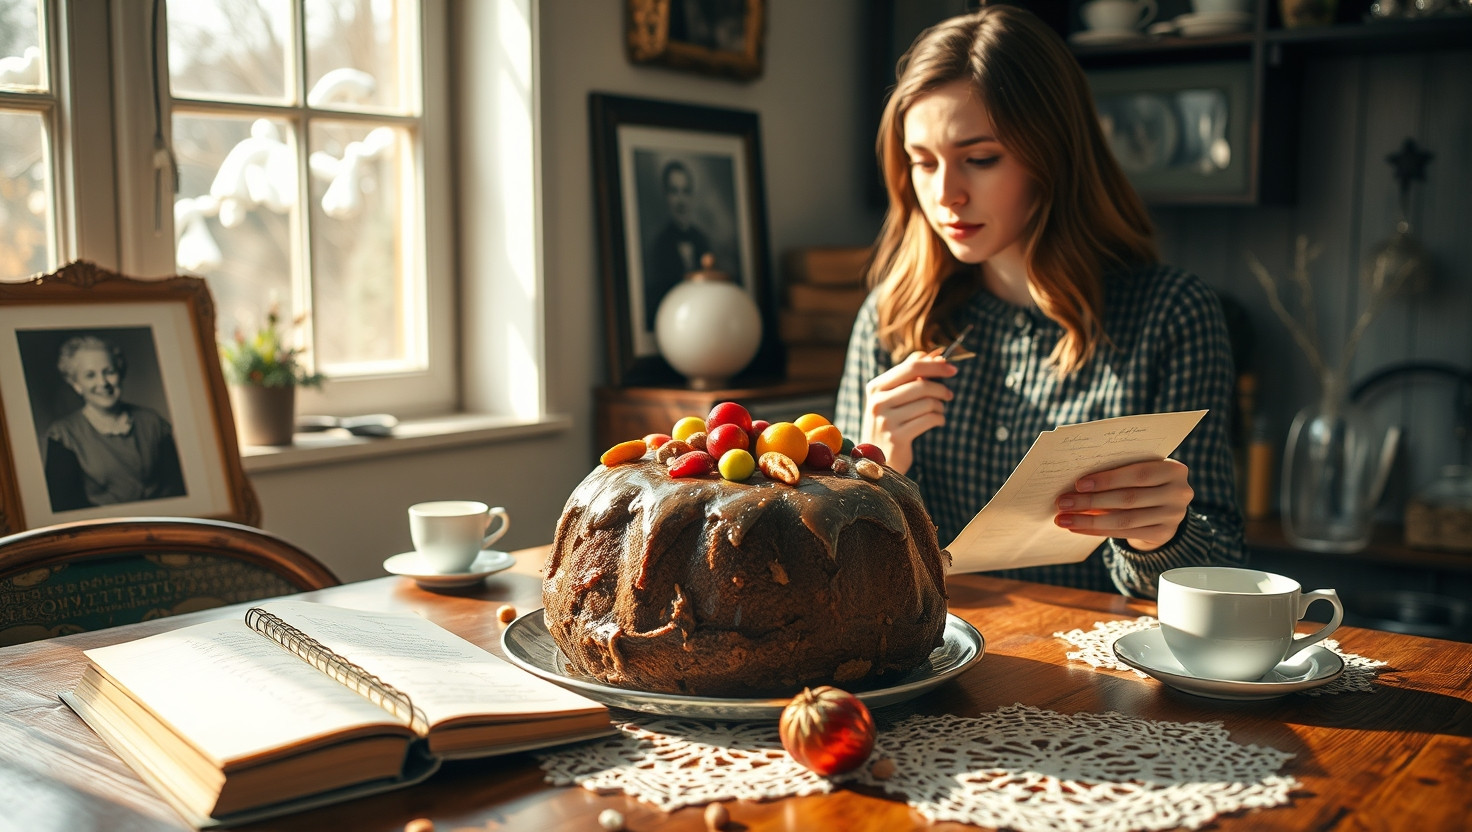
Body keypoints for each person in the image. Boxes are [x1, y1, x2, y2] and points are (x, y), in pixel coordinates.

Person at [833, 6, 1243, 598]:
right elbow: (841, 572)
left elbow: (1227, 567)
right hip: (932, 657)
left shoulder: (1171, 315)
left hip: (1097, 665)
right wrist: (871, 472)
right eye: (923, 162)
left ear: (1052, 154)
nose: (945, 193)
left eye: (980, 158)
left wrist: (1161, 537)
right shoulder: (891, 318)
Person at [43, 334, 186, 512]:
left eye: (109, 372)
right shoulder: (63, 435)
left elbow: (178, 489)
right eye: (90, 375)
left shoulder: (152, 422)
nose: (103, 383)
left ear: (120, 373)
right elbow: (66, 509)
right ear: (76, 384)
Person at [644, 159, 713, 330]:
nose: (681, 200)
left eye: (685, 191)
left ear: (692, 196)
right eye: (674, 192)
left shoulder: (702, 241)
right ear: (666, 195)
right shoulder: (659, 246)